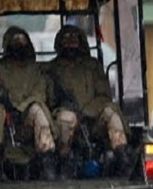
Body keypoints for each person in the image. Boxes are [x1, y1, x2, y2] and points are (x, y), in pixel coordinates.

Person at [0, 26, 63, 183]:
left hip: (26, 123)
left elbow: (39, 94)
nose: (19, 44)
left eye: (22, 40)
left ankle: (48, 165)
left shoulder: (36, 71)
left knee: (37, 109)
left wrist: (19, 108)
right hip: (2, 126)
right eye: (15, 41)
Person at [44, 25, 133, 177]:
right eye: (66, 39)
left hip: (92, 124)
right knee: (67, 118)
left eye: (74, 39)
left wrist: (86, 112)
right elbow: (48, 100)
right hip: (63, 124)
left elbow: (104, 96)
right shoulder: (51, 69)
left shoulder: (92, 66)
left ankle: (122, 158)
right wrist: (65, 108)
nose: (70, 43)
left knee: (111, 113)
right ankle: (65, 163)